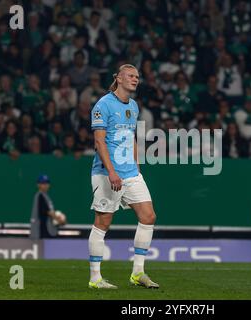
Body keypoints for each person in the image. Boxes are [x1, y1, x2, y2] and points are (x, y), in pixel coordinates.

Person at [88, 64, 158, 289]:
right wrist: (111, 172)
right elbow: (99, 142)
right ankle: (95, 278)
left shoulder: (134, 106)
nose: (135, 79)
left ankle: (138, 273)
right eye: (130, 76)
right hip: (107, 173)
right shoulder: (103, 105)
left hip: (130, 173)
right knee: (103, 222)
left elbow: (131, 138)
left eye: (137, 76)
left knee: (148, 216)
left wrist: (137, 167)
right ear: (118, 78)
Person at [30, 174, 67, 239]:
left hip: (48, 229)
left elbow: (50, 212)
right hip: (41, 231)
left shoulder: (46, 196)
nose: (46, 185)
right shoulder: (40, 196)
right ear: (38, 185)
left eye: (47, 183)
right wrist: (59, 220)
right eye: (43, 183)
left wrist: (58, 219)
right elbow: (48, 212)